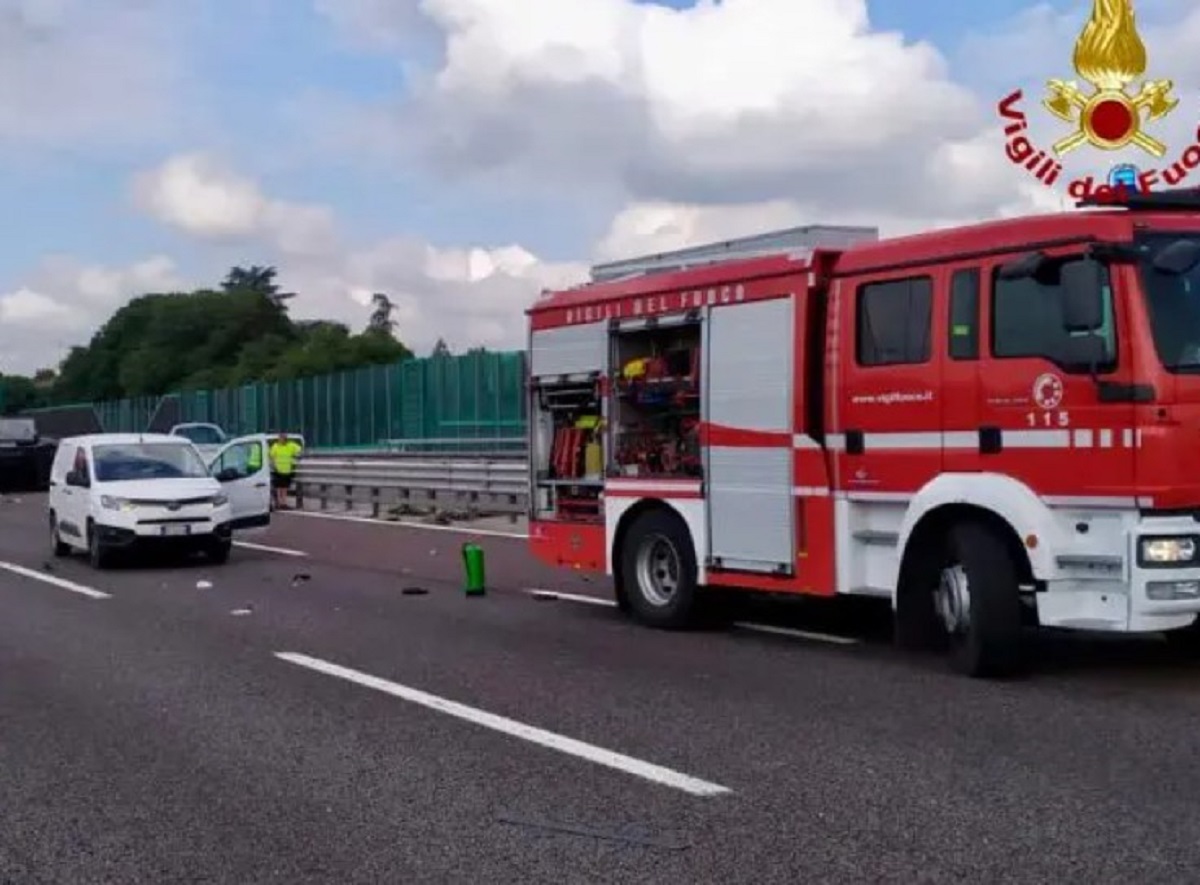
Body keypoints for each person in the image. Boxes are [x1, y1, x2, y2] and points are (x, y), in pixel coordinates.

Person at [268, 432, 303, 509]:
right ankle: (280, 503)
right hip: (278, 470)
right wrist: (273, 466)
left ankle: (283, 503)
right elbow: (271, 456)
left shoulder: (290, 445)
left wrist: (296, 457)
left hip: (287, 470)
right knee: (279, 488)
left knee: (284, 488)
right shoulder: (275, 446)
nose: (282, 439)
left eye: (284, 438)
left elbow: (300, 450)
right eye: (281, 438)